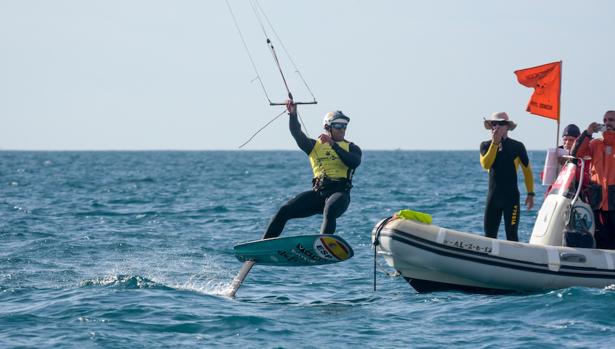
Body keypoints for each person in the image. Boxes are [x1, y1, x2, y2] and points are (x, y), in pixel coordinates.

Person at [261, 101, 362, 239]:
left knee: (330, 209)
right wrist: (293, 114)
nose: (342, 129)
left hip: (340, 194)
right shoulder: (313, 146)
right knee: (284, 210)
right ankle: (264, 245)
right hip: (318, 194)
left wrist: (333, 146)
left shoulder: (352, 148)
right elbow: (296, 133)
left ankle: (323, 244)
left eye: (344, 126)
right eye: (338, 126)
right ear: (328, 127)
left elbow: (354, 162)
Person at [480, 112, 535, 242]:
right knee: (489, 236)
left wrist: (530, 193)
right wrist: (495, 143)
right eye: (494, 123)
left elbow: (527, 171)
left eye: (501, 123)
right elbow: (486, 165)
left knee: (512, 236)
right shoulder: (485, 145)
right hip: (493, 198)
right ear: (491, 126)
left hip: (511, 199)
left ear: (508, 127)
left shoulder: (517, 146)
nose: (497, 126)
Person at [572, 110, 615, 249]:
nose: (608, 123)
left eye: (611, 120)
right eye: (605, 120)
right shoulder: (595, 144)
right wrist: (588, 133)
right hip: (598, 201)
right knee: (601, 240)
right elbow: (575, 153)